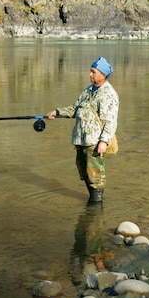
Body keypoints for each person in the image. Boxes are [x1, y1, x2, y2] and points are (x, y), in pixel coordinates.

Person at [46, 56, 119, 203]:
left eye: (93, 72)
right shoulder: (88, 90)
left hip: (94, 141)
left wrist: (104, 141)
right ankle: (92, 202)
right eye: (90, 71)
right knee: (84, 172)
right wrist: (58, 112)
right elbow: (75, 109)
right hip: (81, 139)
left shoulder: (108, 94)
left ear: (103, 75)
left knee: (95, 176)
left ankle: (96, 207)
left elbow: (110, 121)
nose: (89, 74)